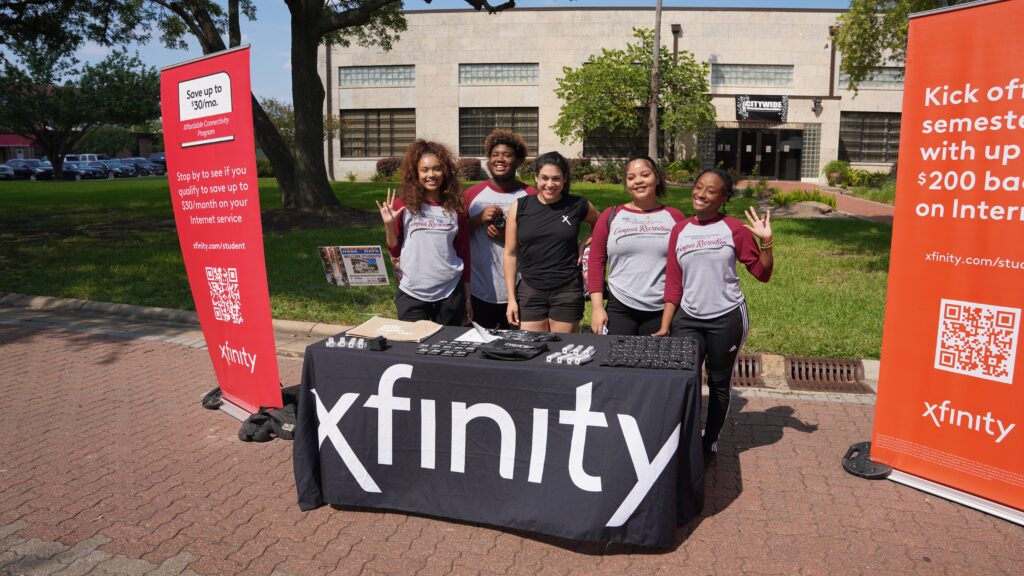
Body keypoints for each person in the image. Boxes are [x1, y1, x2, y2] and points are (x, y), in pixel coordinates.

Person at [654, 168, 774, 467]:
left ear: (723, 198)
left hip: (726, 318)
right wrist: (666, 324)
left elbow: (762, 274)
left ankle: (711, 442)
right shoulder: (679, 230)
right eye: (698, 187)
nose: (701, 194)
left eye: (710, 190)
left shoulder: (734, 229)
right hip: (688, 318)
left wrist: (766, 242)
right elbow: (673, 281)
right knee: (688, 381)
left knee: (720, 383)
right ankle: (688, 439)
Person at [586, 155, 686, 335]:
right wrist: (597, 308)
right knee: (614, 360)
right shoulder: (611, 215)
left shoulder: (675, 217)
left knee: (654, 362)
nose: (638, 181)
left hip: (661, 309)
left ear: (656, 178)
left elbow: (685, 264)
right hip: (619, 307)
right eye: (631, 178)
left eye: (645, 175)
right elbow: (595, 263)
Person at [377, 140, 472, 326]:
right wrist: (389, 225)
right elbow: (394, 251)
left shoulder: (456, 208)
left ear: (445, 171)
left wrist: (468, 299)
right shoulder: (401, 206)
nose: (431, 175)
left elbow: (464, 253)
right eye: (425, 170)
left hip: (450, 290)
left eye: (437, 169)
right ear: (416, 172)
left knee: (444, 350)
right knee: (412, 349)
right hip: (412, 291)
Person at [503, 151, 600, 333]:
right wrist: (511, 299)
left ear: (564, 180)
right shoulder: (520, 207)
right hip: (531, 289)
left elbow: (601, 224)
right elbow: (510, 254)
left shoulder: (578, 205)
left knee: (562, 351)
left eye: (556, 179)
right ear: (536, 178)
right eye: (544, 178)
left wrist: (588, 239)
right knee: (531, 350)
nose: (550, 184)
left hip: (567, 289)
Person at [463, 130, 538, 328]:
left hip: (519, 290)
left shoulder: (531, 195)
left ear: (519, 161)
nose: (500, 159)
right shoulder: (472, 194)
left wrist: (509, 238)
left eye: (507, 155)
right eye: (495, 155)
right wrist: (478, 219)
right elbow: (456, 236)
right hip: (478, 289)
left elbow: (540, 242)